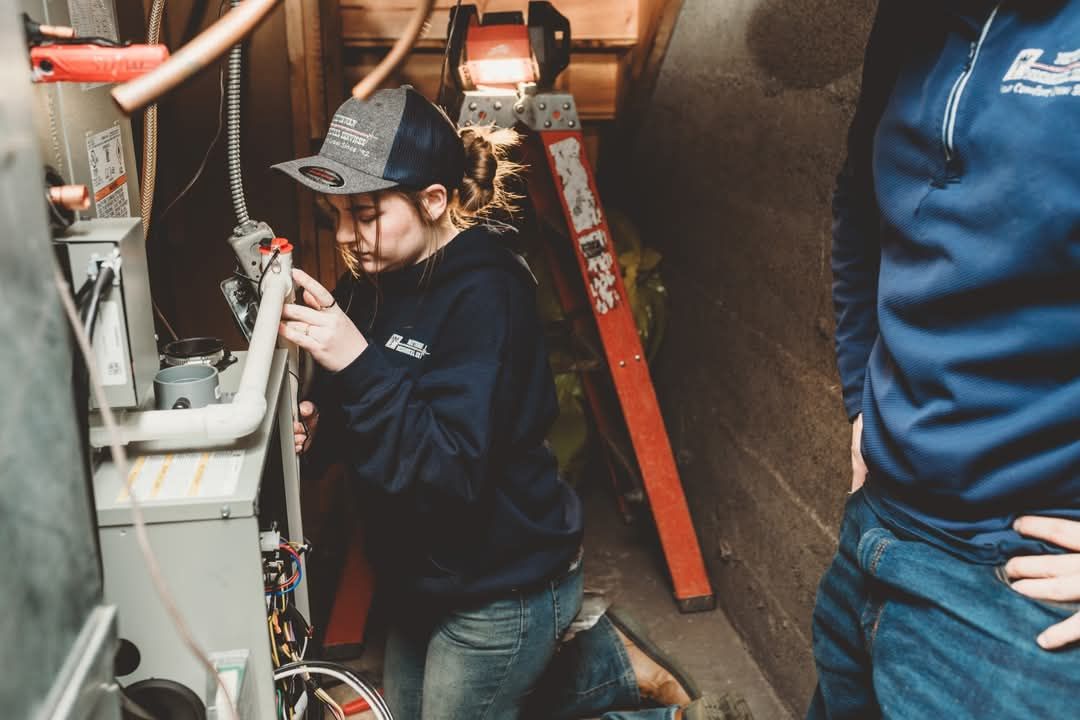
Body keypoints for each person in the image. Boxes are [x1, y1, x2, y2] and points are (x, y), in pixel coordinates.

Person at [271, 86, 751, 720]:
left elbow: (450, 468)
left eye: (364, 214)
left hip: (503, 585)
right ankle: (609, 663)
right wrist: (315, 432)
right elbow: (362, 410)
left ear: (433, 200)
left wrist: (357, 361)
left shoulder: (489, 295)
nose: (346, 238)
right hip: (423, 576)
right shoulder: (368, 284)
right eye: (336, 216)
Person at [815, 1, 1080, 717]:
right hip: (874, 535)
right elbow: (861, 207)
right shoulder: (911, 16)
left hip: (1019, 592)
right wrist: (861, 400)